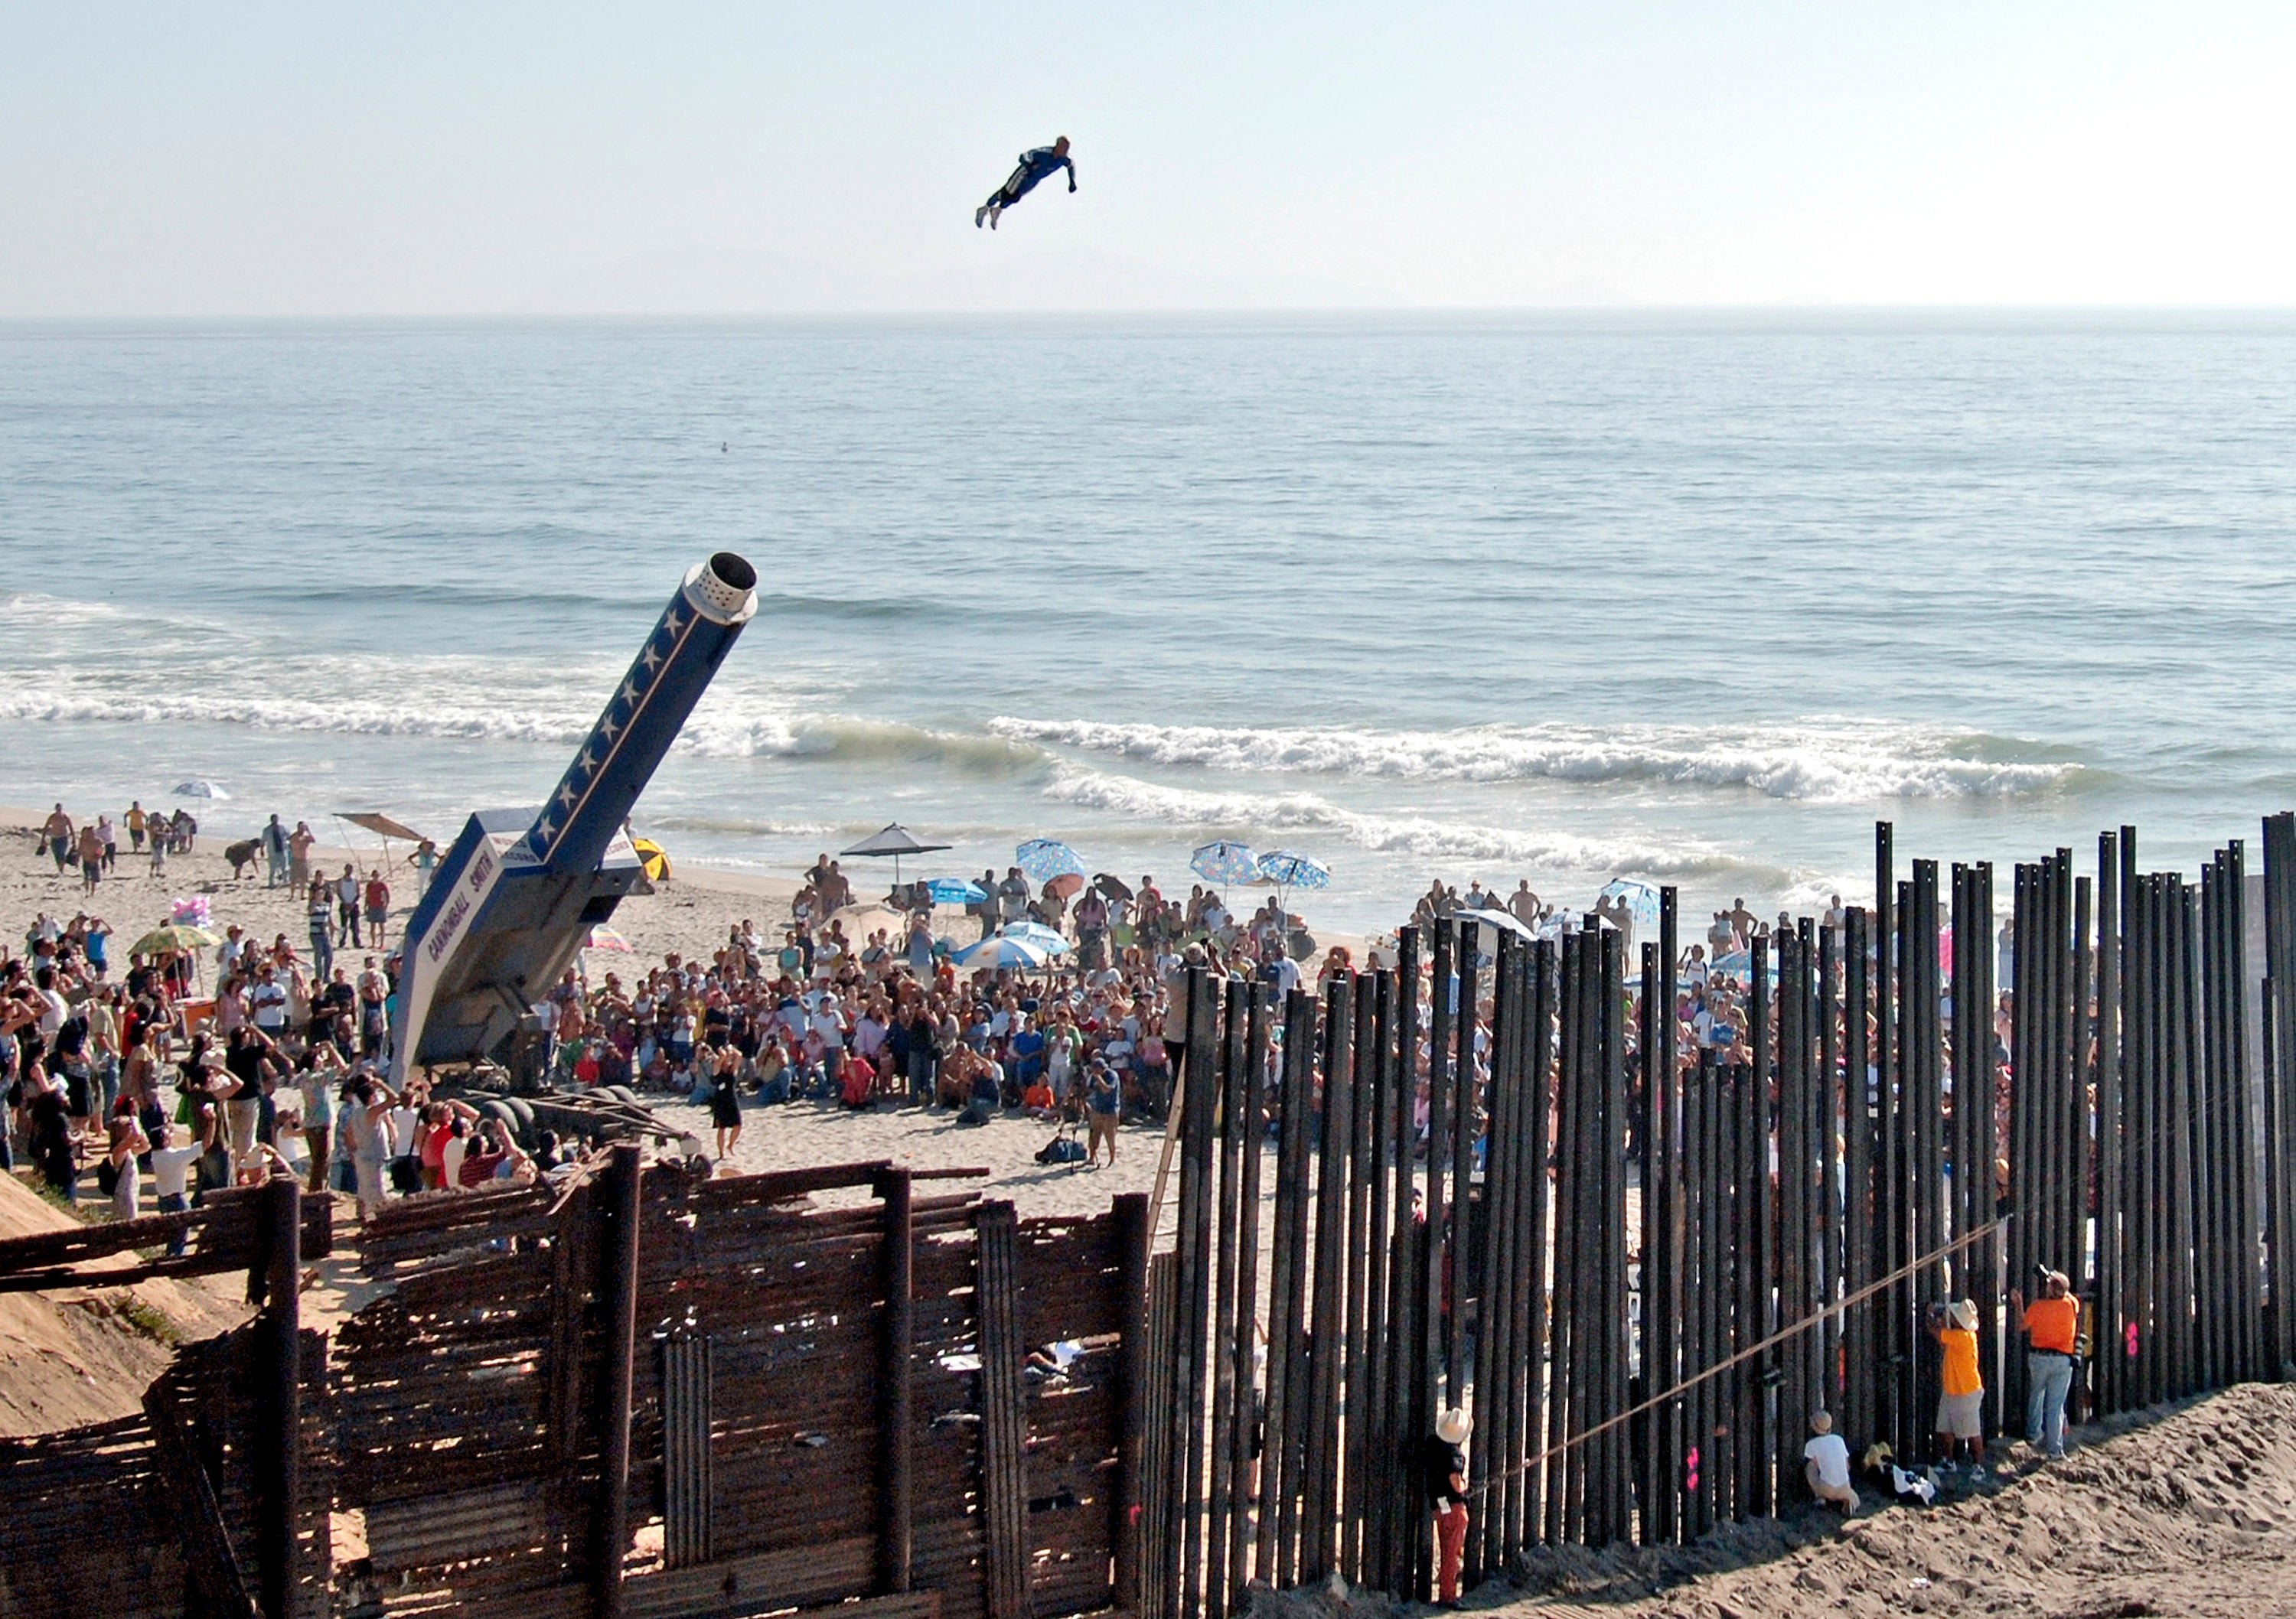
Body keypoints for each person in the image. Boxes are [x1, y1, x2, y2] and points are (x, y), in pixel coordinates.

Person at [2013, 1269, 2079, 1460]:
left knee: (2037, 1395)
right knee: (2055, 1406)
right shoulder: (2071, 1305)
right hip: (2062, 1360)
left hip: (2039, 1358)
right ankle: (2055, 1449)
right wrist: (2055, 1280)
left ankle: (2033, 1435)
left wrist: (2019, 1304)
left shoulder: (2037, 1307)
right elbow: (2065, 1293)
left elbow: (2022, 1325)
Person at [974, 135, 1077, 229]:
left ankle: (997, 210)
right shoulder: (1044, 152)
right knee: (1006, 193)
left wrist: (1072, 181)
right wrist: (1029, 165)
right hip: (1024, 174)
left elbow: (1071, 165)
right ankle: (985, 208)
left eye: (1067, 148)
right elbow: (1024, 155)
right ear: (1058, 146)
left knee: (1015, 198)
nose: (1066, 151)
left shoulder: (1064, 159)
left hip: (1034, 180)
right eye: (1064, 148)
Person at [1423, 1407, 1471, 1606]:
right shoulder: (1453, 1454)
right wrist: (1465, 1488)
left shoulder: (1433, 1446)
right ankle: (1448, 1596)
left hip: (1439, 1506)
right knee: (1452, 1552)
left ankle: (1446, 1584)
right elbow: (1455, 1480)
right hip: (1453, 1507)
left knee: (1447, 1548)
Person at [1932, 1297, 1986, 1471]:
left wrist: (1931, 1316)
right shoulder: (1959, 1335)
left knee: (1972, 1432)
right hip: (1952, 1388)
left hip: (1966, 1391)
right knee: (1945, 1427)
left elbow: (1937, 1334)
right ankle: (1949, 1461)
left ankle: (1979, 1466)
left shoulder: (1962, 1337)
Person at [1802, 1410, 1858, 1513]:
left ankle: (1820, 1498)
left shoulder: (1812, 1444)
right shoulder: (1839, 1440)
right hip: (1844, 1486)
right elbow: (1847, 1466)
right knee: (1852, 1495)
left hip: (1826, 1488)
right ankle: (1849, 1503)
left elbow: (1813, 1464)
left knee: (1810, 1467)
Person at [1085, 1058, 1122, 1166]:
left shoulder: (1112, 1076)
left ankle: (1112, 1159)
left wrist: (1099, 1079)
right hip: (1097, 1109)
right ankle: (1091, 1158)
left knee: (1110, 1136)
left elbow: (1107, 1090)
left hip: (1110, 1110)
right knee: (1093, 1135)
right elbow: (1090, 1090)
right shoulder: (1093, 1077)